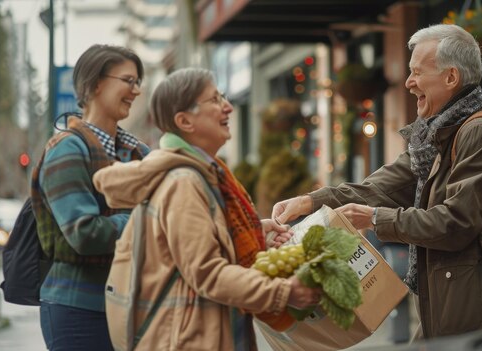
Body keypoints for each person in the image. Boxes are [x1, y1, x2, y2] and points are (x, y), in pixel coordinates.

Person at [272, 24, 482, 339]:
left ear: (451, 77)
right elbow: (378, 188)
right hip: (448, 307)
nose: (409, 83)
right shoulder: (431, 140)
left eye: (417, 73)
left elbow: (456, 223)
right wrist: (309, 202)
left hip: (481, 315)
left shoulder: (480, 133)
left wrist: (373, 218)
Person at [93, 67, 320, 350]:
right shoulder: (184, 182)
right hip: (192, 339)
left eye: (223, 97)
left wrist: (252, 232)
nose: (227, 107)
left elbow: (196, 250)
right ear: (185, 120)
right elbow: (207, 273)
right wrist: (284, 292)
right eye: (214, 100)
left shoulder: (202, 171)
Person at [31, 44, 151, 350]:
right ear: (96, 83)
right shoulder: (67, 149)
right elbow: (83, 233)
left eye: (138, 82)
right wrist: (147, 222)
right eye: (128, 80)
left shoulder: (139, 154)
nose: (135, 91)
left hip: (132, 303)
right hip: (79, 311)